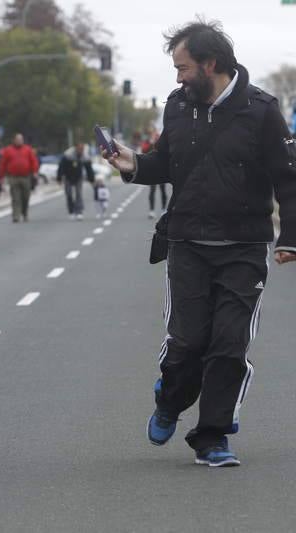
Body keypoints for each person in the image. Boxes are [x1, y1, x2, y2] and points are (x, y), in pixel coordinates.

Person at [103, 19, 296, 467]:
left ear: (211, 64)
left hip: (244, 248)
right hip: (188, 242)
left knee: (229, 346)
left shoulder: (262, 110)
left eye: (184, 67)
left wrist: (290, 237)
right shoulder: (177, 106)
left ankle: (211, 437)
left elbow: (288, 180)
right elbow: (166, 164)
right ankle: (170, 399)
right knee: (187, 343)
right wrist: (131, 163)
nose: (177, 77)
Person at [0, 133, 39, 223]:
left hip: (25, 176)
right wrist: (1, 176)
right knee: (15, 197)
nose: (19, 141)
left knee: (25, 197)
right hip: (13, 177)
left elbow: (33, 161)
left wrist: (35, 172)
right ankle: (16, 215)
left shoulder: (27, 149)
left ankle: (24, 213)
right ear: (14, 140)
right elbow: (3, 164)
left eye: (21, 139)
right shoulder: (8, 150)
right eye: (17, 139)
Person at [57, 143, 94, 221]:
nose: (81, 151)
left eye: (82, 149)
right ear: (76, 148)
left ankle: (79, 211)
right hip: (68, 177)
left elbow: (89, 169)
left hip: (78, 177)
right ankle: (71, 211)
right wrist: (59, 178)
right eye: (79, 149)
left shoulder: (85, 156)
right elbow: (61, 166)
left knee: (79, 194)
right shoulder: (68, 155)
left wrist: (91, 179)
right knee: (69, 194)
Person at [143, 137, 168, 218]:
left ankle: (164, 209)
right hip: (152, 169)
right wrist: (151, 143)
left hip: (162, 169)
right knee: (152, 190)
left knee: (163, 190)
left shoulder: (164, 138)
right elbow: (143, 150)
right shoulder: (148, 140)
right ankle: (151, 211)